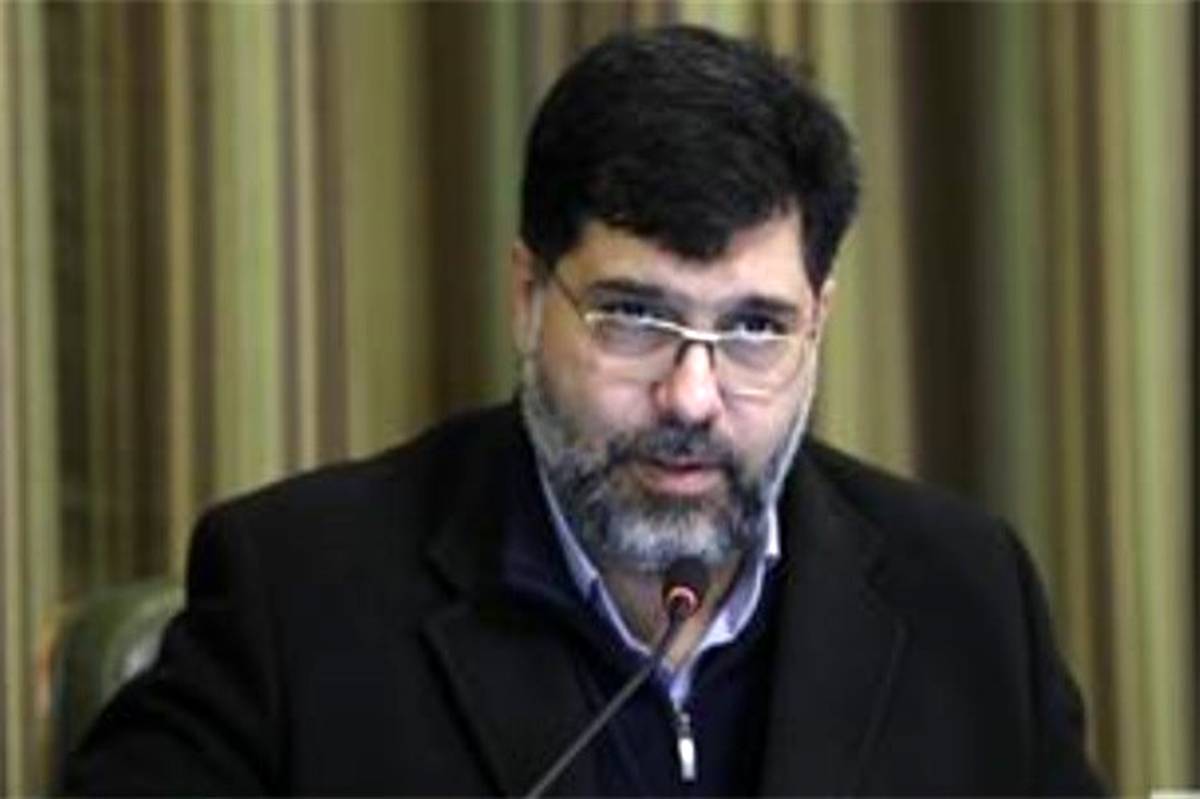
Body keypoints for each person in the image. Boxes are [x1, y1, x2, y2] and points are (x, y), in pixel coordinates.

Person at [64, 25, 1106, 797]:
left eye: (754, 328)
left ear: (818, 323)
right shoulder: (300, 592)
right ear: (529, 297)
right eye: (634, 318)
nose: (691, 396)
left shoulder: (966, 598)